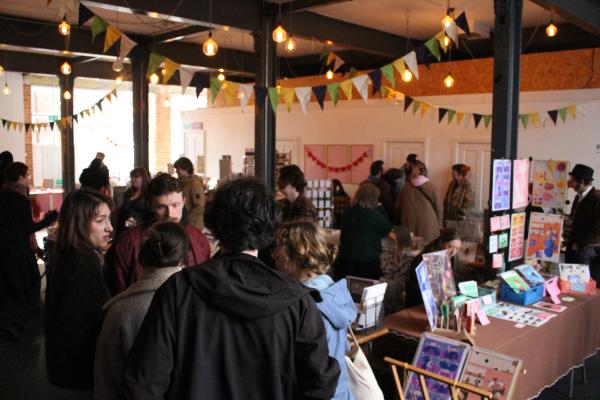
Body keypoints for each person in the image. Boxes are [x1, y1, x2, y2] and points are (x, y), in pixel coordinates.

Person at [123, 177, 340, 400]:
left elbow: (143, 382)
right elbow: (320, 384)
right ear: (270, 227)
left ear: (215, 224)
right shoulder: (298, 301)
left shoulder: (177, 290)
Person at [95, 221, 188, 400]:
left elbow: (106, 381)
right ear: (183, 258)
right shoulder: (197, 303)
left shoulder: (119, 310)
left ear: (141, 259)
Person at [273, 220, 356, 400]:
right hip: (342, 392)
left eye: (279, 246)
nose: (274, 254)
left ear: (296, 254)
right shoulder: (334, 292)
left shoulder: (307, 305)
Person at [45, 188, 113, 398]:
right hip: (78, 375)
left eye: (109, 219)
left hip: (64, 371)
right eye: (100, 220)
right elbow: (80, 324)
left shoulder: (70, 253)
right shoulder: (84, 262)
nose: (109, 228)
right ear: (79, 222)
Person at [104, 173, 210, 295]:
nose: (170, 214)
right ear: (150, 206)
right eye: (161, 207)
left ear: (183, 202)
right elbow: (118, 293)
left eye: (175, 205)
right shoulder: (127, 244)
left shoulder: (199, 240)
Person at [0, 162, 58, 340]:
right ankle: (21, 321)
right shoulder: (20, 199)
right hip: (19, 249)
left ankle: (10, 321)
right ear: (20, 177)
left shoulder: (3, 194)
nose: (28, 179)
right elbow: (28, 227)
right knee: (30, 281)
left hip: (4, 249)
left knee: (11, 285)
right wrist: (50, 219)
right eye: (26, 176)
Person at [337, 182, 392, 280]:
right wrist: (380, 208)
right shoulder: (372, 215)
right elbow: (386, 229)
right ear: (374, 198)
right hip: (367, 261)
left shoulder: (348, 212)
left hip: (346, 259)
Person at [405, 228, 463, 308]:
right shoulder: (423, 259)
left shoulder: (451, 258)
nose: (453, 252)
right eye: (450, 246)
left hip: (442, 302)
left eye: (457, 248)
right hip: (421, 302)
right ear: (440, 243)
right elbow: (414, 288)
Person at [396, 160, 443, 243]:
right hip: (428, 226)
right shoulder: (432, 188)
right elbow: (439, 208)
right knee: (428, 252)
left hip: (408, 225)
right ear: (425, 171)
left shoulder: (406, 187)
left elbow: (398, 206)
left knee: (410, 252)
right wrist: (440, 225)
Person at [565, 164, 600, 265]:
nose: (571, 184)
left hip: (585, 250)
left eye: (573, 181)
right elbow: (574, 219)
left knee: (579, 280)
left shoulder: (597, 199)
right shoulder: (578, 197)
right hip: (572, 246)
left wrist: (579, 244)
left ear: (582, 182)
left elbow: (597, 229)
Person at [115, 167, 150, 236]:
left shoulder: (148, 193)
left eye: (136, 177)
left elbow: (148, 213)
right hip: (124, 227)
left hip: (139, 229)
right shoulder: (129, 192)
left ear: (143, 178)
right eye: (132, 177)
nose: (132, 179)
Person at [174, 157, 206, 230]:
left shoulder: (195, 184)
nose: (176, 171)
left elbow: (199, 207)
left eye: (177, 169)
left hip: (193, 225)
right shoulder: (183, 183)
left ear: (184, 168)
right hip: (185, 225)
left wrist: (186, 219)